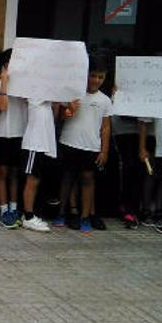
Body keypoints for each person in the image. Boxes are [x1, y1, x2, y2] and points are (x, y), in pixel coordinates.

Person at [56, 62, 112, 233]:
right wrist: (68, 112)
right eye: (93, 76)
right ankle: (61, 213)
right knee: (67, 178)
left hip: (91, 146)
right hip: (69, 142)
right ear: (86, 75)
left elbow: (106, 127)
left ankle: (85, 217)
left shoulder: (105, 100)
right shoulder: (74, 94)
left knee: (88, 179)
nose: (96, 80)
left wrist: (104, 150)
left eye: (100, 77)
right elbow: (61, 117)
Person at [0, 50, 27, 228]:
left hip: (20, 133)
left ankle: (14, 209)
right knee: (2, 173)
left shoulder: (26, 86)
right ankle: (3, 210)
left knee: (15, 173)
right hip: (2, 133)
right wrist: (4, 83)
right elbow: (2, 107)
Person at [18, 99, 59, 232]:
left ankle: (30, 214)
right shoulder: (32, 95)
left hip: (44, 143)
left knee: (36, 180)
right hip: (33, 143)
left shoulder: (48, 100)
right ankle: (28, 217)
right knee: (32, 180)